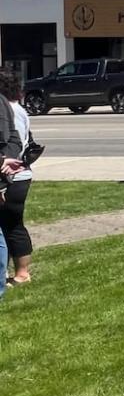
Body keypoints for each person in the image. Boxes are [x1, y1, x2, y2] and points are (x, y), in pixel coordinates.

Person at [1, 69, 32, 287]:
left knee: (11, 227)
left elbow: (14, 142)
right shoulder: (17, 108)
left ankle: (20, 273)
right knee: (13, 225)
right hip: (19, 174)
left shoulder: (8, 109)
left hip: (12, 175)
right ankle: (20, 272)